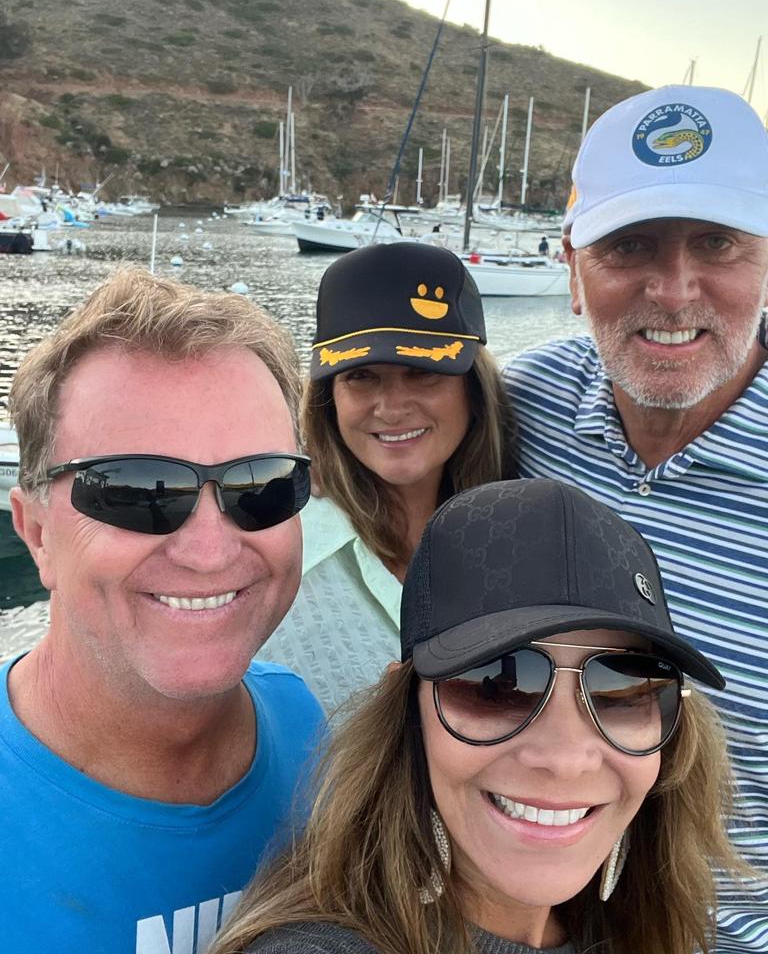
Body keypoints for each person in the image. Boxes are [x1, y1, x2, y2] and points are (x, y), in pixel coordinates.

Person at [212, 478, 743, 954]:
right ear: (406, 709)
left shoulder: (645, 925)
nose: (564, 759)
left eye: (622, 688)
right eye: (495, 685)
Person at [502, 84, 768, 952]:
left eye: (717, 243)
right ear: (572, 267)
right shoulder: (514, 408)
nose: (674, 289)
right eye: (631, 245)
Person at [4, 270, 325, 953]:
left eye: (260, 485)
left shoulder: (312, 740)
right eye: (138, 489)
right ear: (36, 532)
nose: (209, 552)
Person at [259, 243, 516, 711]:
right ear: (328, 398)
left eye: (422, 373)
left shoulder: (516, 542)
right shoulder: (276, 546)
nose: (392, 407)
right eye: (361, 376)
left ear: (474, 391)